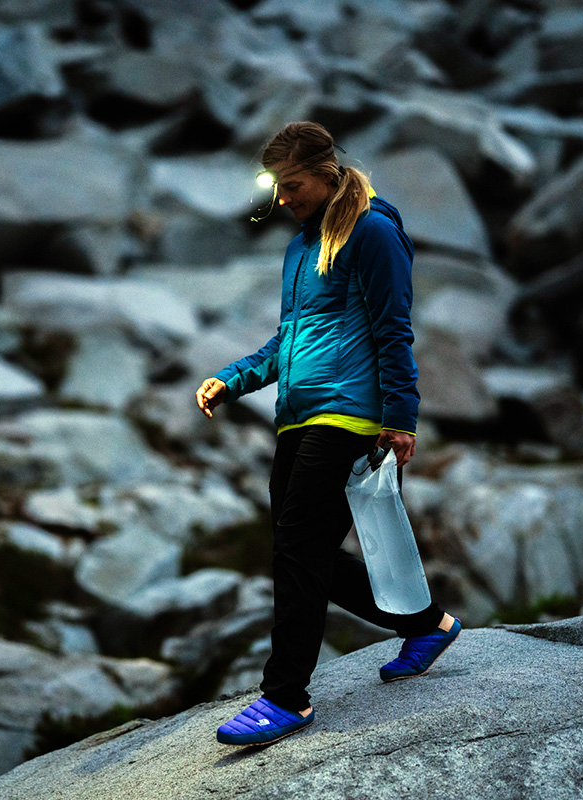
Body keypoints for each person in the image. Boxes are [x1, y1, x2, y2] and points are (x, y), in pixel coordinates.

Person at [196, 121, 460, 747]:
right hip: (299, 414)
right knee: (301, 549)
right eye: (276, 189)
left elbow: (394, 328)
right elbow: (288, 341)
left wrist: (401, 418)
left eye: (293, 186)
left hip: (349, 415)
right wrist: (232, 379)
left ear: (326, 172)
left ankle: (286, 697)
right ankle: (427, 624)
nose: (283, 200)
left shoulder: (370, 231)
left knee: (296, 550)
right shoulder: (298, 248)